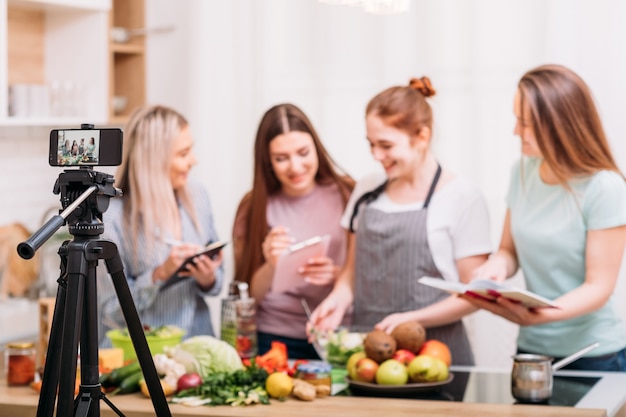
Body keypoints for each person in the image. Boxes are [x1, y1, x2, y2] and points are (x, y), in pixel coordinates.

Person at [309, 77, 493, 365]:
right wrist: (337, 300)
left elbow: (475, 295)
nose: (376, 156)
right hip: (369, 354)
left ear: (422, 136)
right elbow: (352, 273)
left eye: (386, 145)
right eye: (371, 144)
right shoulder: (367, 189)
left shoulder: (462, 197)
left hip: (436, 355)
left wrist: (411, 319)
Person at [461, 64, 626, 371]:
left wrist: (540, 315)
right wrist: (495, 268)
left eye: (525, 124)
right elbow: (508, 251)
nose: (515, 132)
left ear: (561, 124)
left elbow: (599, 287)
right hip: (531, 350)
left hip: (592, 354)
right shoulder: (522, 171)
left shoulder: (605, 187)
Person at [232, 103, 355, 359]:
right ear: (267, 161)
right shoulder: (253, 207)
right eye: (281, 158)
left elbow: (371, 277)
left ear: (317, 148)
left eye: (303, 153)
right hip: (273, 338)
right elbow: (246, 295)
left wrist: (336, 275)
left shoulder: (349, 194)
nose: (295, 167)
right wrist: (271, 264)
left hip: (336, 334)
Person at [97, 104, 224, 347]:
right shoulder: (112, 219)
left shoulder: (197, 196)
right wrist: (158, 275)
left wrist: (208, 276)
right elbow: (110, 312)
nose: (193, 161)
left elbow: (216, 283)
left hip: (197, 350)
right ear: (155, 159)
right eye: (183, 154)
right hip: (140, 358)